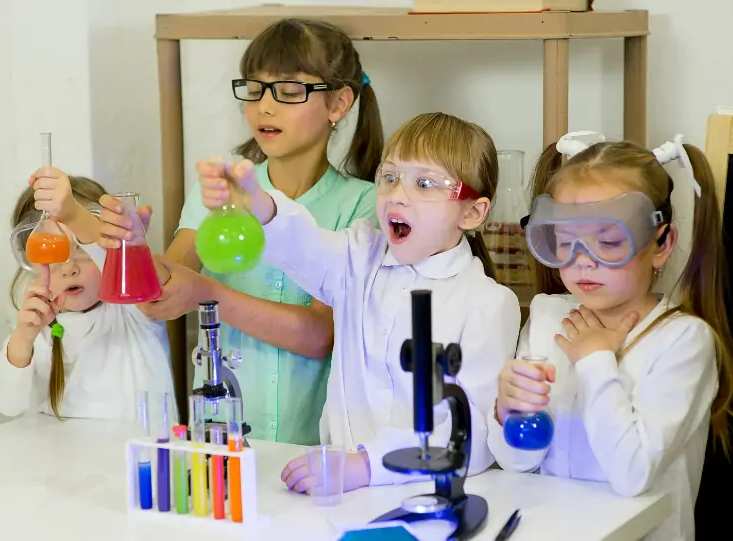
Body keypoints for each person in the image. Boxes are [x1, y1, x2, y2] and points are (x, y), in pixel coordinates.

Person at [198, 112, 521, 492]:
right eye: (390, 177)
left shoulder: (488, 302)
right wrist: (257, 203)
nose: (398, 195)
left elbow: (472, 436)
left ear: (473, 212)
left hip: (430, 494)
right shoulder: (360, 254)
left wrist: (366, 467)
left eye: (425, 183)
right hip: (337, 487)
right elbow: (305, 248)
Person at [98, 18, 384, 445]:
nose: (264, 108)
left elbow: (319, 336)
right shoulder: (215, 189)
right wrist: (136, 251)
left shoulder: (364, 206)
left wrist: (204, 294)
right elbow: (160, 299)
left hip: (313, 453)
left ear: (339, 103)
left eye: (288, 92)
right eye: (254, 91)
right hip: (218, 442)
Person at [489, 132, 733, 541]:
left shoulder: (684, 340)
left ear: (661, 243)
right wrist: (507, 410)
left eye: (608, 241)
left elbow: (632, 473)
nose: (582, 261)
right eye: (566, 242)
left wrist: (595, 360)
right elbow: (517, 463)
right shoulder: (550, 317)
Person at [0, 170, 177, 422]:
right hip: (63, 459)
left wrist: (73, 214)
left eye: (82, 250)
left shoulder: (133, 308)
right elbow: (7, 405)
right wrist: (23, 339)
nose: (69, 268)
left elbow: (111, 258)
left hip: (138, 458)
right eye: (54, 254)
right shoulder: (41, 329)